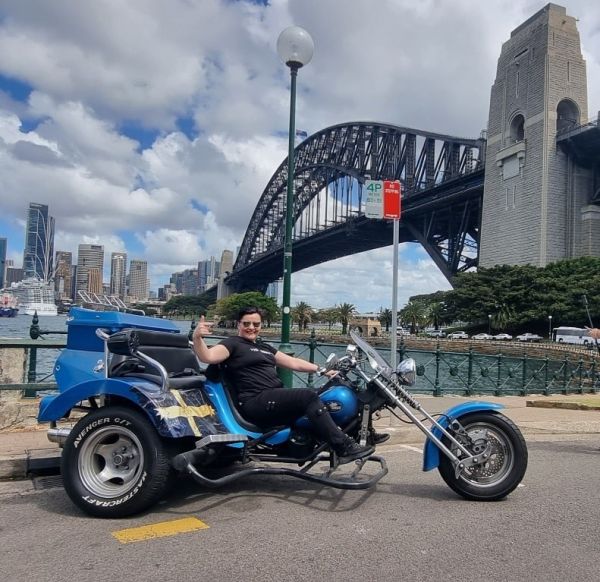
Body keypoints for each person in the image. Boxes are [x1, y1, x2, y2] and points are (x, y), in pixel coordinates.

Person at [193, 307, 376, 464]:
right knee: (307, 397)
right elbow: (207, 357)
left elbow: (293, 362)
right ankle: (342, 447)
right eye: (246, 323)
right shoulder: (232, 344)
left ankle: (360, 434)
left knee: (325, 393)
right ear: (239, 324)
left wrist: (322, 370)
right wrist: (198, 338)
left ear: (261, 326)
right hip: (255, 401)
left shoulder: (265, 347)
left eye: (256, 324)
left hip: (273, 396)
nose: (251, 328)